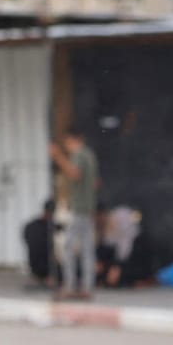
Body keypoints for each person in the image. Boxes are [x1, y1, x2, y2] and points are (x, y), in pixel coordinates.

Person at [49, 129, 99, 301]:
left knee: (68, 247)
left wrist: (57, 156)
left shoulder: (79, 155)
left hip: (79, 209)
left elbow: (74, 173)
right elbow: (96, 182)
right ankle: (87, 287)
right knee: (87, 249)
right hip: (88, 208)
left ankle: (69, 286)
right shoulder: (90, 156)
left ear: (73, 140)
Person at [22, 198, 56, 287]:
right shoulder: (50, 228)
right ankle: (48, 278)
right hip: (46, 269)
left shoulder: (30, 225)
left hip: (33, 267)